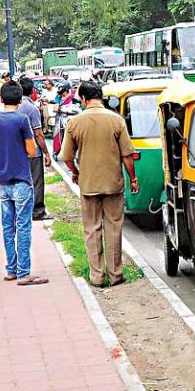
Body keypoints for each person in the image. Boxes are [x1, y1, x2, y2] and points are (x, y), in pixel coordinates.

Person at [59, 81, 139, 287]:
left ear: (84, 99)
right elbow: (127, 156)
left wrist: (76, 173)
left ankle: (96, 276)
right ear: (101, 97)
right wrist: (133, 179)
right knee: (114, 227)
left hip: (89, 184)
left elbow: (66, 157)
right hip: (114, 183)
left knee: (92, 229)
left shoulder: (74, 123)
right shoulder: (117, 120)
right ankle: (115, 275)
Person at [0, 80, 49, 286]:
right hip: (22, 178)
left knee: (7, 226)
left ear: (1, 99)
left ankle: (11, 269)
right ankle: (24, 272)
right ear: (20, 99)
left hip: (4, 181)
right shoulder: (22, 120)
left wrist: (0, 173)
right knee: (23, 226)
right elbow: (32, 151)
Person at [17, 77, 52, 220]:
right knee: (36, 181)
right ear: (32, 91)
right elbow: (38, 134)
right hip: (33, 151)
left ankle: (23, 209)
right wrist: (46, 153)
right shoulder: (31, 108)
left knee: (22, 181)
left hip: (18, 150)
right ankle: (37, 211)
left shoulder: (14, 106)